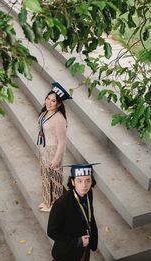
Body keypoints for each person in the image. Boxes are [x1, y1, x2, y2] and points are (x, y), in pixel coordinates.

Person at [47, 163, 99, 261]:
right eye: (79, 181)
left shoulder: (89, 193)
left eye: (88, 181)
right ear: (73, 182)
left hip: (84, 247)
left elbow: (89, 215)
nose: (84, 185)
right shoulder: (61, 204)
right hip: (66, 253)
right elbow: (52, 232)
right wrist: (77, 242)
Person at [37, 82, 72, 212]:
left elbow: (62, 142)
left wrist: (57, 158)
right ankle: (47, 201)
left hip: (53, 150)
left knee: (55, 180)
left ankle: (56, 205)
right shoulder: (45, 112)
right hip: (44, 149)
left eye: (53, 101)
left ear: (59, 104)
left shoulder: (59, 119)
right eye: (48, 99)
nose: (49, 103)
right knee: (46, 177)